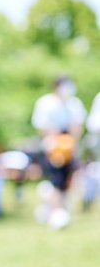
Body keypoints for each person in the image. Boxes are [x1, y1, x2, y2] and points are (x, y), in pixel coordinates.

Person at [31, 76, 86, 228]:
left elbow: (78, 126)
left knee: (68, 180)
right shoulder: (45, 102)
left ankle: (61, 209)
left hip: (70, 147)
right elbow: (42, 126)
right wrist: (57, 140)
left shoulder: (75, 104)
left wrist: (70, 141)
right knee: (56, 180)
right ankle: (56, 212)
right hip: (52, 147)